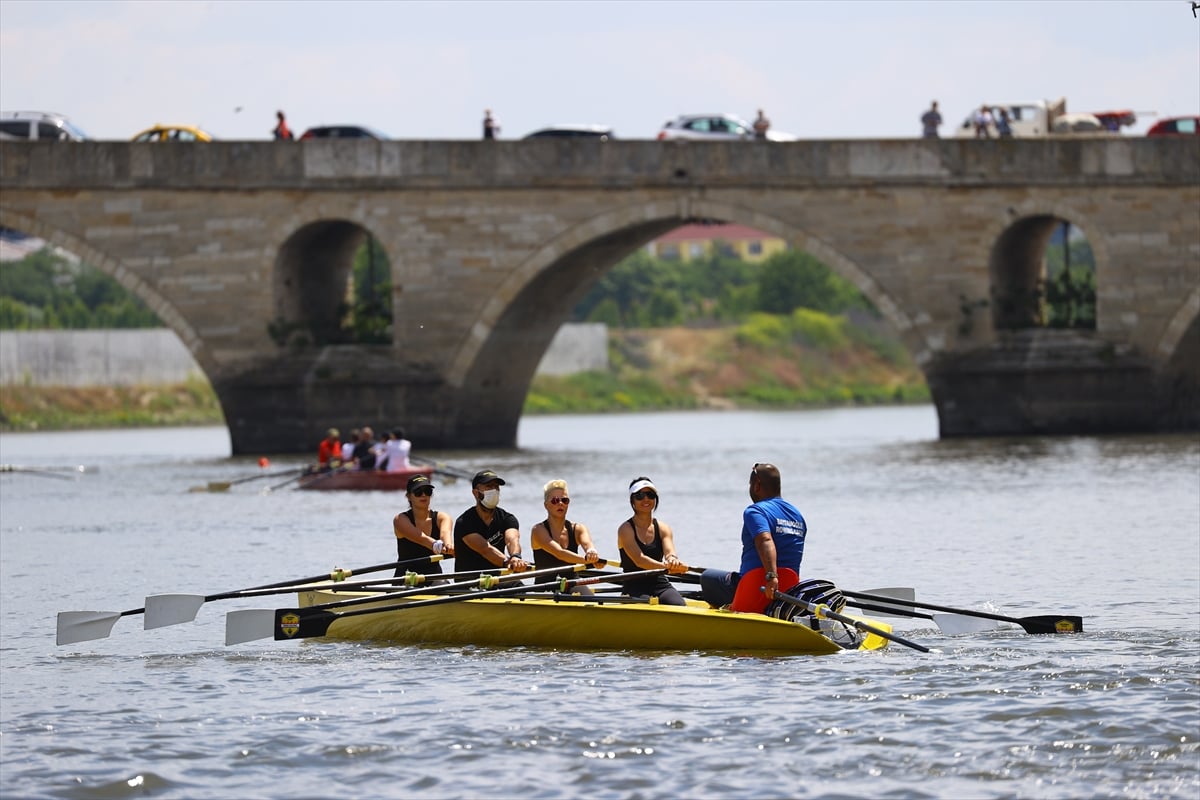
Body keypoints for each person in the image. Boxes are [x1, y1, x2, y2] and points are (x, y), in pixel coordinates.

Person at [699, 462, 808, 614]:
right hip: (786, 592)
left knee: (707, 578)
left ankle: (729, 612)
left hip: (756, 589)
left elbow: (765, 540)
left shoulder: (755, 511)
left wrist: (771, 577)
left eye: (750, 484)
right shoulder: (797, 515)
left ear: (756, 485)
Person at [616, 477, 689, 606]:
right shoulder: (625, 529)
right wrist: (666, 567)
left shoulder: (663, 528)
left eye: (650, 495)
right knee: (646, 605)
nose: (646, 499)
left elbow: (670, 552)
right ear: (632, 501)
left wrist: (673, 560)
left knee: (680, 605)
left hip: (659, 583)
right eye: (640, 496)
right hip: (634, 585)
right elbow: (639, 560)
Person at [531, 479, 602, 594]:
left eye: (564, 500)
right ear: (546, 505)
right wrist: (588, 562)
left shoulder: (578, 529)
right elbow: (560, 553)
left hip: (572, 584)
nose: (560, 503)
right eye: (555, 500)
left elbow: (588, 545)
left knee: (590, 596)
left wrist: (591, 552)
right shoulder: (538, 530)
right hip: (545, 589)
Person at [453, 469, 528, 574]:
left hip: (499, 578)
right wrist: (508, 562)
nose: (494, 490)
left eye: (496, 487)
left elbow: (512, 540)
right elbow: (485, 549)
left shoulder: (507, 518)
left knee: (520, 588)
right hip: (471, 581)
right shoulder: (464, 522)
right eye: (488, 486)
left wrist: (515, 557)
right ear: (476, 493)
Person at [392, 474, 454, 579]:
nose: (424, 495)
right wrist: (439, 547)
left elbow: (445, 536)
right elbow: (422, 539)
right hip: (406, 577)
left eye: (427, 491)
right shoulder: (400, 520)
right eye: (418, 492)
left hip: (434, 578)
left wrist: (449, 547)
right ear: (408, 496)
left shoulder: (442, 518)